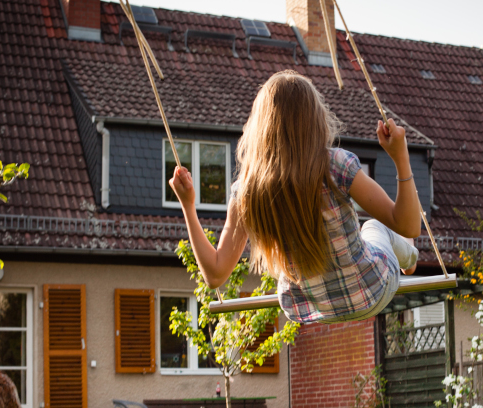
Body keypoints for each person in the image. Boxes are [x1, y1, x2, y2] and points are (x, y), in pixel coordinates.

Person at [169, 70, 420, 324]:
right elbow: (409, 224)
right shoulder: (335, 165)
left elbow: (214, 275)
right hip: (371, 291)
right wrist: (400, 157)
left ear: (260, 128)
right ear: (315, 120)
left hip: (310, 308)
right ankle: (409, 257)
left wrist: (188, 205)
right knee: (375, 226)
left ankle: (406, 256)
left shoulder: (246, 191)